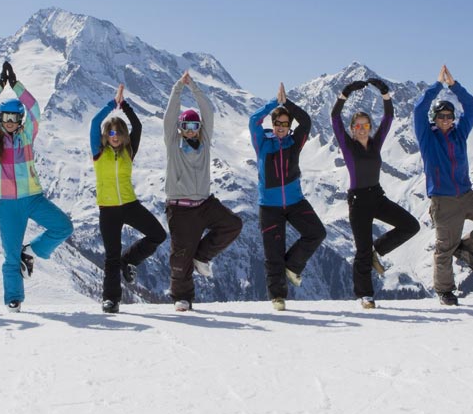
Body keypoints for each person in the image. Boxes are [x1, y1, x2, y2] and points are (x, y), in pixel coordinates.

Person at [0, 60, 73, 312]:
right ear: (0, 118)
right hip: (7, 203)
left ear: (20, 120)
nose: (9, 121)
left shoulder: (27, 136)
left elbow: (35, 108)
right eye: (6, 117)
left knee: (63, 226)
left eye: (14, 117)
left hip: (32, 197)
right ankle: (14, 299)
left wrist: (16, 84)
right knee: (10, 255)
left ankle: (31, 251)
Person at [413, 65, 473, 306]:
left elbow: (471, 107)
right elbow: (418, 109)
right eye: (441, 116)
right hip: (444, 200)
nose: (446, 120)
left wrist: (454, 86)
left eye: (449, 116)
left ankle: (467, 249)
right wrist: (437, 86)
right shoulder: (427, 138)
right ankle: (445, 291)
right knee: (444, 248)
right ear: (434, 119)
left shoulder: (460, 134)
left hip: (467, 194)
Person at [330, 78, 419, 309]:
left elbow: (388, 119)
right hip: (358, 201)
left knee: (410, 225)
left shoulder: (375, 143)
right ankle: (365, 296)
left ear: (370, 127)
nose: (361, 129)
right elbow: (334, 118)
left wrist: (385, 94)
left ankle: (376, 250)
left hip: (377, 197)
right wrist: (344, 94)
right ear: (352, 129)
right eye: (357, 126)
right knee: (361, 251)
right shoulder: (348, 146)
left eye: (365, 125)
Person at [163, 70, 243, 312]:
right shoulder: (173, 145)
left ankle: (203, 256)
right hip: (180, 207)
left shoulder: (205, 142)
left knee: (232, 224)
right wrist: (178, 88)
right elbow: (169, 117)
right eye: (186, 125)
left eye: (194, 126)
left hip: (205, 203)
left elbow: (207, 110)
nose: (190, 130)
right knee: (180, 256)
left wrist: (194, 88)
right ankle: (182, 297)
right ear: (180, 127)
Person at [89, 83, 166, 313]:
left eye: (119, 133)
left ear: (123, 136)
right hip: (108, 209)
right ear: (106, 135)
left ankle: (129, 260)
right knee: (111, 256)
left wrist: (125, 107)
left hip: (130, 205)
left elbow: (138, 126)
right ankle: (111, 299)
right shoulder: (98, 152)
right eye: (111, 133)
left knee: (158, 234)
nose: (115, 136)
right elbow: (94, 123)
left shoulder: (128, 151)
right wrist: (112, 104)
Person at [250, 83, 327, 311]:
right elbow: (253, 120)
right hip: (269, 206)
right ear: (272, 124)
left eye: (285, 123)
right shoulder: (262, 143)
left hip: (295, 202)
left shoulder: (295, 142)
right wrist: (275, 103)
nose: (281, 127)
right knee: (272, 254)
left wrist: (288, 104)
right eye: (277, 123)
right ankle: (277, 297)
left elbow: (307, 122)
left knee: (316, 233)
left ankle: (293, 266)